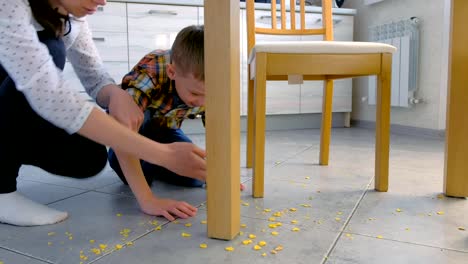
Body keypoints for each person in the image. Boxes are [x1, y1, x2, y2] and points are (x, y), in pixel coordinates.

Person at [0, 0, 205, 226]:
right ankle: (2, 191)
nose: (102, 1)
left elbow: (94, 76)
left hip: (20, 104)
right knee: (52, 49)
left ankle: (8, 150)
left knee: (87, 158)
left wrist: (115, 94)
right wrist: (163, 155)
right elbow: (49, 94)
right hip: (25, 89)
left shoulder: (73, 19)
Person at [108, 25, 244, 221]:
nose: (203, 102)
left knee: (195, 173)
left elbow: (219, 133)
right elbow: (121, 131)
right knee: (135, 175)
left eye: (210, 95)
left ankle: (158, 161)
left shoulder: (217, 80)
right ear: (172, 72)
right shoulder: (153, 68)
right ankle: (150, 162)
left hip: (166, 129)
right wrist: (147, 199)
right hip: (134, 130)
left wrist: (221, 172)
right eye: (196, 94)